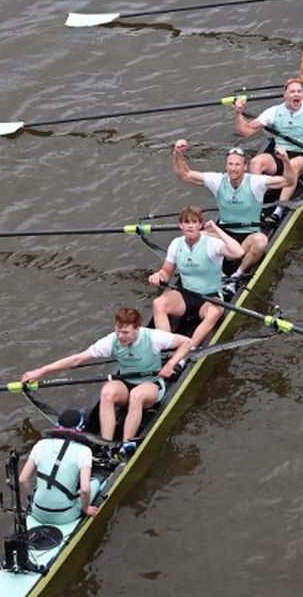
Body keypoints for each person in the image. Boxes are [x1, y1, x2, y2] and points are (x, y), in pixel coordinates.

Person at [21, 307, 194, 442]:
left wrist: (170, 364)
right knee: (107, 392)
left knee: (136, 395)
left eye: (125, 333)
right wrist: (41, 371)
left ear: (137, 328)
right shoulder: (112, 341)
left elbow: (186, 342)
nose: (120, 336)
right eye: (118, 331)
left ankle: (126, 444)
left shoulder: (153, 337)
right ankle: (107, 443)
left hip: (151, 385)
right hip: (125, 383)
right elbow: (77, 360)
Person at [172, 139, 297, 275]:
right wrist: (178, 153)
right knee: (191, 236)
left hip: (248, 235)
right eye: (230, 164)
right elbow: (185, 175)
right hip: (224, 233)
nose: (233, 168)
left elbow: (288, 181)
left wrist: (285, 160)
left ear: (245, 167)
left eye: (237, 164)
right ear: (226, 166)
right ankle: (206, 272)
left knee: (261, 241)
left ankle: (237, 276)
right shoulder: (217, 180)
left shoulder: (255, 182)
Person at [233, 78, 303, 201]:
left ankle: (281, 207)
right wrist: (238, 114)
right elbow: (245, 132)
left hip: (300, 156)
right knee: (255, 162)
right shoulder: (273, 112)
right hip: (278, 155)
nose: (296, 94)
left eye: (299, 91)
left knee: (292, 165)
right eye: (292, 91)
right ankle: (255, 200)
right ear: (285, 95)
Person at [149, 206, 244, 348]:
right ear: (181, 225)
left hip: (210, 296)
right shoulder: (176, 244)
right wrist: (158, 276)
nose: (190, 226)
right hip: (185, 295)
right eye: (186, 222)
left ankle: (188, 349)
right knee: (158, 303)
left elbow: (239, 252)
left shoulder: (211, 243)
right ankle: (166, 345)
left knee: (214, 312)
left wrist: (217, 230)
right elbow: (166, 272)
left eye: (194, 222)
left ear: (200, 225)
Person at [18, 409, 99, 523]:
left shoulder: (41, 444)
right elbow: (85, 489)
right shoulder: (84, 451)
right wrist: (86, 509)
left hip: (38, 512)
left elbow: (22, 480)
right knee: (95, 482)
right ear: (80, 429)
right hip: (66, 516)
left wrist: (32, 500)